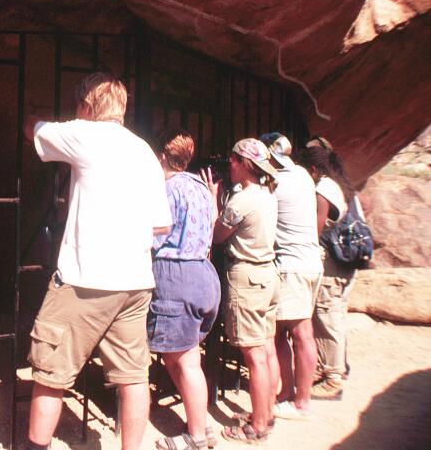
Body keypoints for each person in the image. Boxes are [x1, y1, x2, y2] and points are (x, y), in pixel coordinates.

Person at [23, 73, 172, 450]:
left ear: (86, 106)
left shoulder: (84, 133)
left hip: (86, 280)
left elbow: (35, 130)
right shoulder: (145, 152)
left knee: (50, 373)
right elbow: (161, 224)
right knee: (133, 376)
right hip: (136, 281)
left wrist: (28, 113)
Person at [203, 138, 280, 445]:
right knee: (267, 347)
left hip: (247, 277)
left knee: (254, 355)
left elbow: (217, 235)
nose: (230, 165)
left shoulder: (242, 201)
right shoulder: (267, 194)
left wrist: (213, 199)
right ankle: (266, 413)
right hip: (268, 275)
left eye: (233, 161)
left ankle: (257, 427)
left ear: (244, 164)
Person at [148, 130, 221, 450]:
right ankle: (199, 420)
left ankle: (197, 437)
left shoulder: (166, 189)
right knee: (175, 357)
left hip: (176, 275)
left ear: (162, 157)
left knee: (187, 361)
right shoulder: (201, 188)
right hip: (204, 273)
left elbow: (156, 235)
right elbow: (213, 222)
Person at [259, 132, 323, 421]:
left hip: (291, 265)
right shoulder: (303, 176)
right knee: (299, 332)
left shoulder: (276, 183)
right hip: (310, 262)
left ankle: (298, 402)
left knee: (294, 334)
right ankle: (292, 394)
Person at [298, 143, 356, 401]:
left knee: (326, 318)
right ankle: (330, 370)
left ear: (313, 169)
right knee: (334, 317)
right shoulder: (338, 184)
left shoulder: (323, 189)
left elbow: (314, 229)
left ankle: (332, 379)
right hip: (341, 265)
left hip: (330, 265)